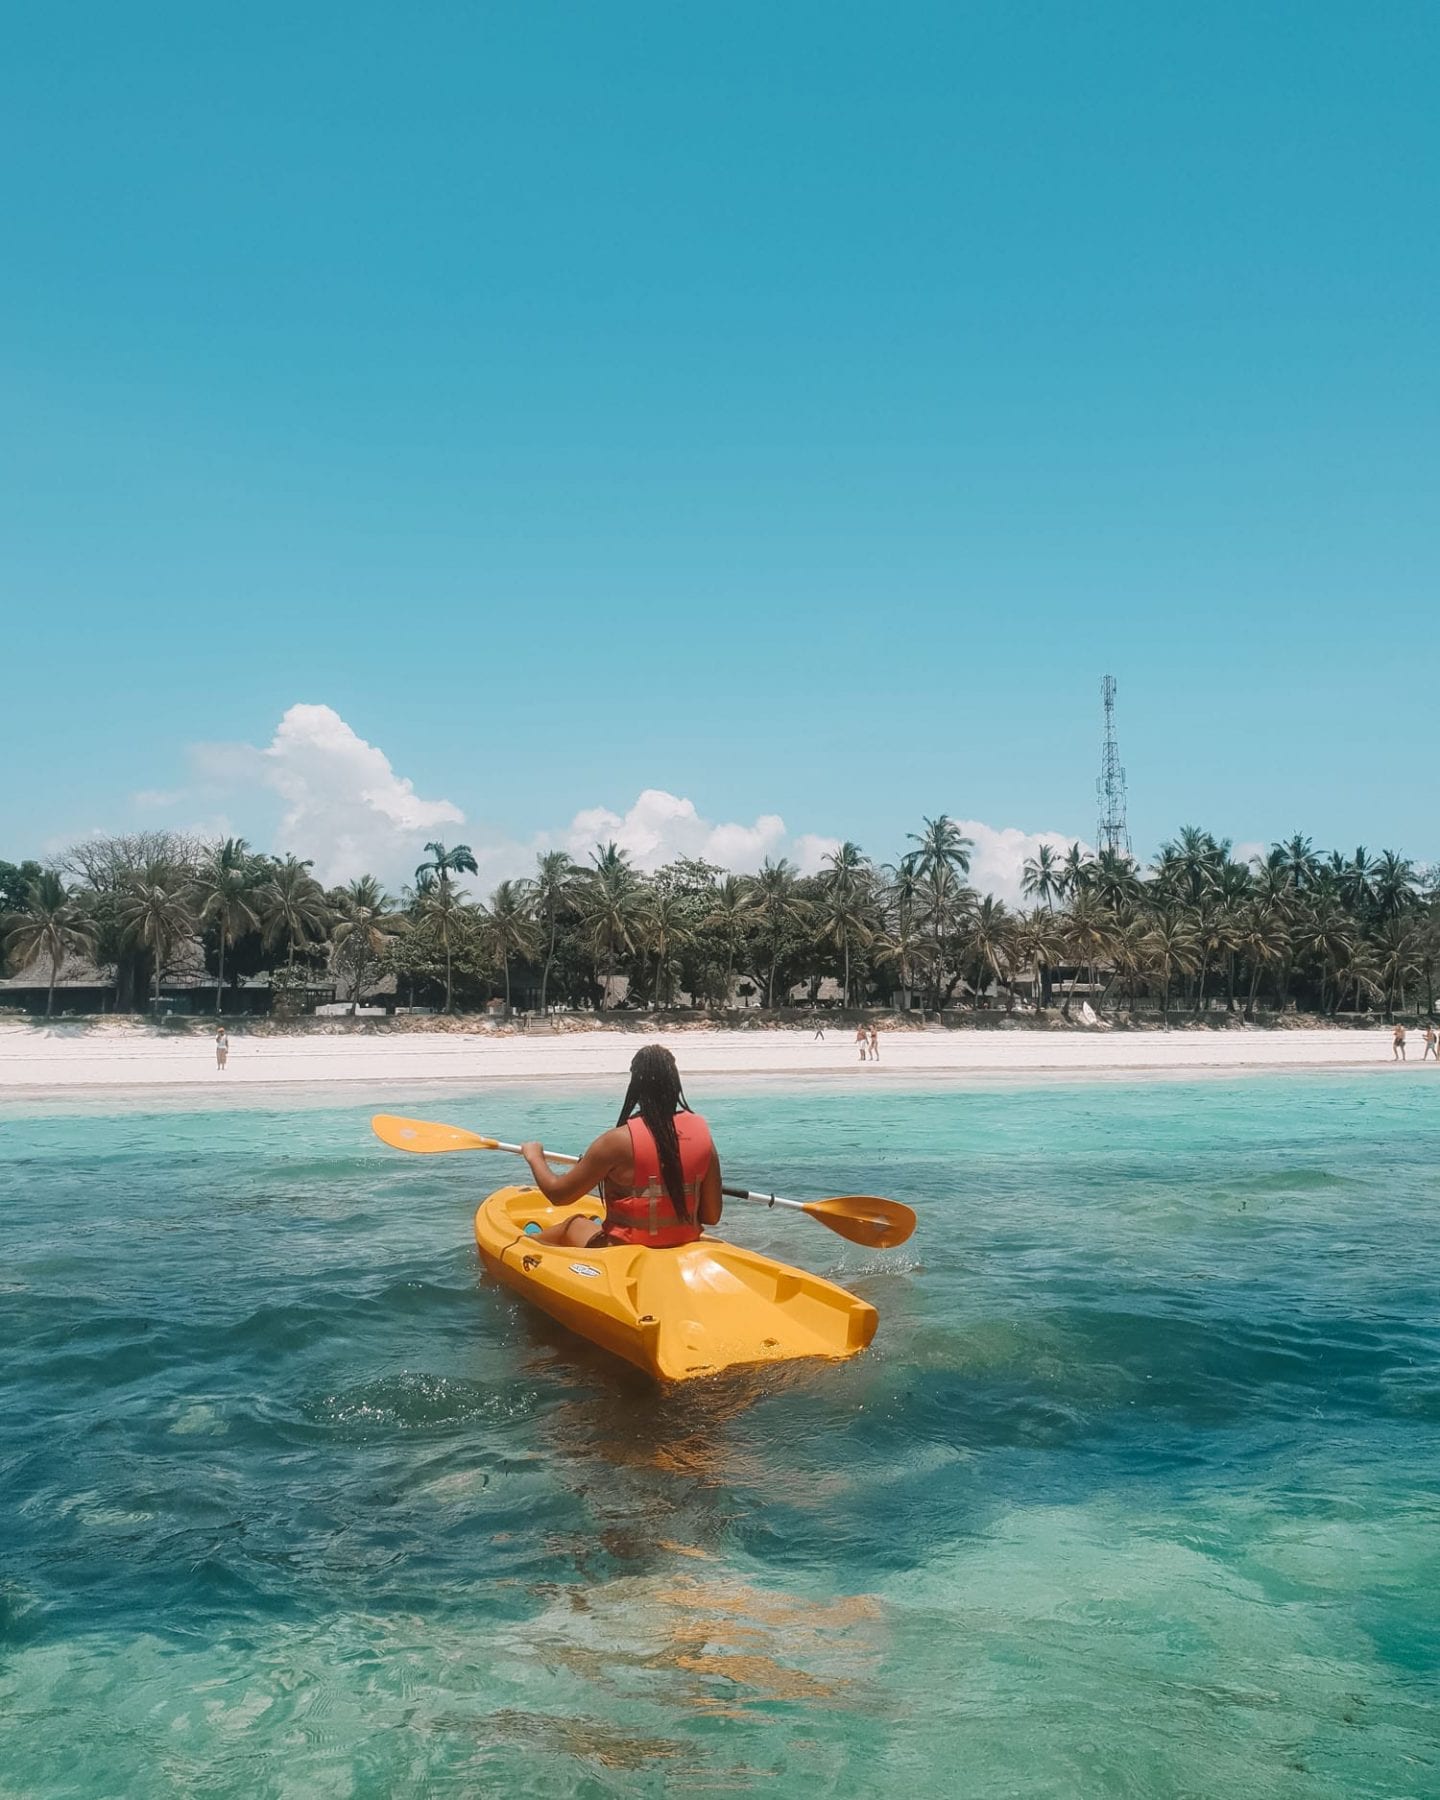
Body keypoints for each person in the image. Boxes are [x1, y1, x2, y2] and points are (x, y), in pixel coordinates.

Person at [520, 1044, 722, 1249]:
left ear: (636, 1086)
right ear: (675, 1084)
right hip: (682, 1245)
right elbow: (711, 1216)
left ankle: (524, 1249)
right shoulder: (703, 1136)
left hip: (623, 1251)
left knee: (573, 1225)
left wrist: (534, 1156)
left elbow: (558, 1195)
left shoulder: (616, 1142)